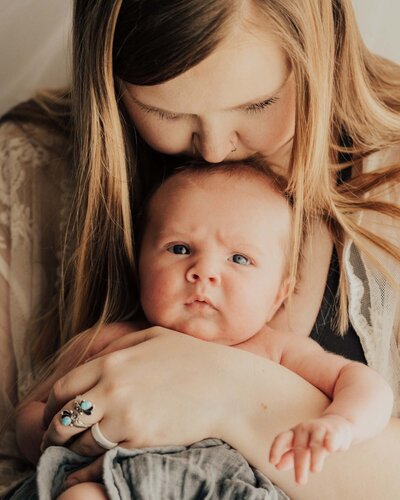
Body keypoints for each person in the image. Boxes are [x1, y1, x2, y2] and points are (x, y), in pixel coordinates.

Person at [1, 0, 400, 498]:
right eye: (165, 111)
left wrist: (229, 395)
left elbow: (365, 399)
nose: (213, 148)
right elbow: (23, 430)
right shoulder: (28, 171)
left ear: (321, 52)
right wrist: (54, 435)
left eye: (257, 104)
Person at [17, 163, 393, 499]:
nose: (204, 271)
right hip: (114, 482)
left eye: (239, 258)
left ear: (279, 293)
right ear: (141, 266)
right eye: (179, 248)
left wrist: (341, 423)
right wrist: (53, 436)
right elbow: (28, 413)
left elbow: (362, 383)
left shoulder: (278, 352)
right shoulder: (112, 343)